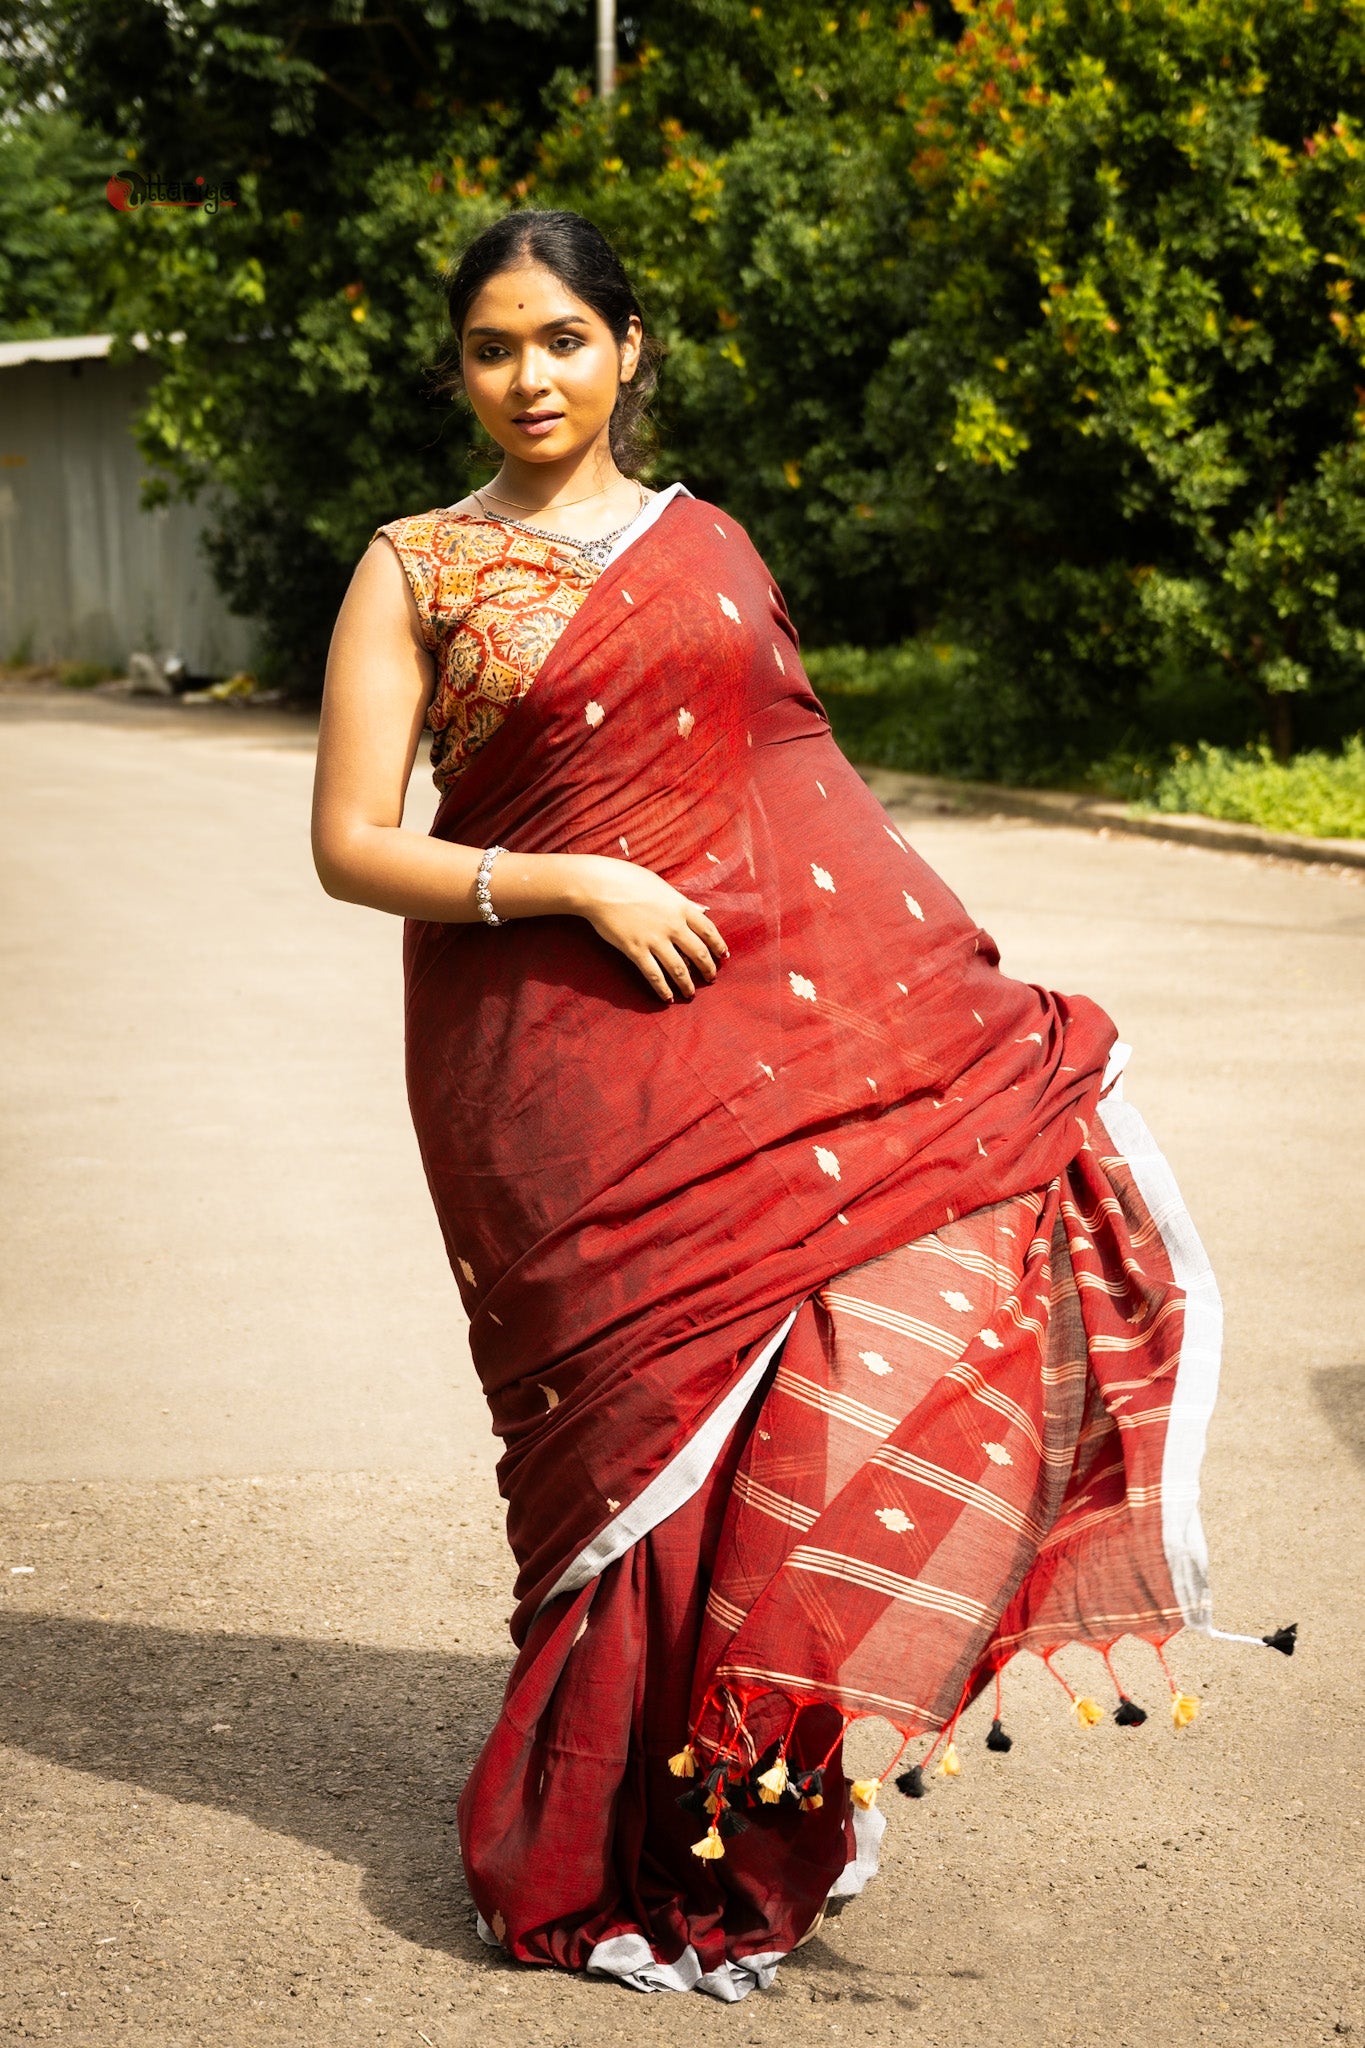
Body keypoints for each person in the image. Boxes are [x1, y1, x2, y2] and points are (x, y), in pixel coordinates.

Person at [311, 209, 1261, 2002]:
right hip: (548, 1059)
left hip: (749, 1031)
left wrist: (948, 984)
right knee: (612, 1428)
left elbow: (796, 792)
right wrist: (574, 880)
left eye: (566, 340)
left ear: (628, 350)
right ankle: (597, 1825)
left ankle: (746, 1789)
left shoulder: (709, 547)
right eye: (497, 346)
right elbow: (356, 846)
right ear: (459, 369)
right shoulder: (418, 566)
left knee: (770, 1407)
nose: (533, 377)